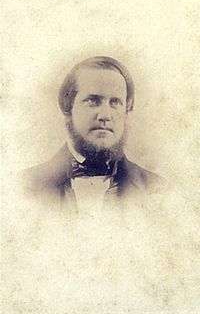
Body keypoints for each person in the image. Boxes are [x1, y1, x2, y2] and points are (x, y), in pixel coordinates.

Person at [22, 56, 164, 210]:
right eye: (93, 101)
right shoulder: (22, 187)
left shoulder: (158, 190)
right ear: (68, 107)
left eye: (115, 102)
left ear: (126, 111)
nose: (105, 115)